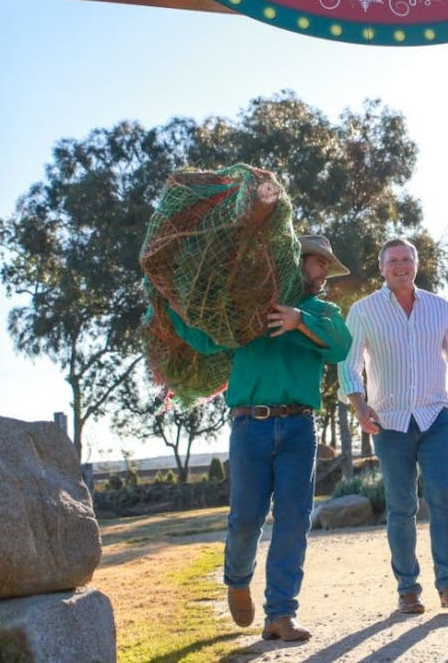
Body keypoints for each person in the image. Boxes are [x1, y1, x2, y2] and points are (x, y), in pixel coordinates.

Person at [166, 234, 353, 641]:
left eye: (326, 266)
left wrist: (298, 321)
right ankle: (236, 578)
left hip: (300, 428)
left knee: (293, 519)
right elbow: (205, 338)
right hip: (250, 425)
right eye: (318, 263)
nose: (322, 273)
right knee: (246, 518)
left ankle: (281, 614)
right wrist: (168, 303)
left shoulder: (324, 313)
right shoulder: (251, 304)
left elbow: (340, 347)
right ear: (295, 260)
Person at [340, 237, 448, 615]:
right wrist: (359, 403)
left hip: (436, 416)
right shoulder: (364, 310)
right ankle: (408, 589)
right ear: (381, 268)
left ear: (415, 265)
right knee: (401, 506)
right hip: (390, 422)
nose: (400, 265)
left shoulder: (439, 307)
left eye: (406, 259)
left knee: (443, 498)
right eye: (393, 260)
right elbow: (348, 365)